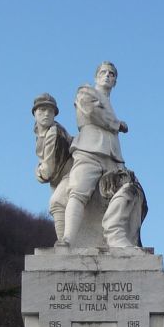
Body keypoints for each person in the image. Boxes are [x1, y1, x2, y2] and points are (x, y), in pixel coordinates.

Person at [58, 61, 128, 247]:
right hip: (89, 149)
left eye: (111, 74)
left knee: (124, 193)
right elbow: (91, 111)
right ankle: (67, 240)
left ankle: (114, 238)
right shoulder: (86, 91)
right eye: (103, 72)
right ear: (96, 76)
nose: (107, 75)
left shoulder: (110, 103)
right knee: (78, 191)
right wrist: (117, 124)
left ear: (115, 81)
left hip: (113, 157)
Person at [31, 93, 71, 242]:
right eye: (42, 109)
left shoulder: (54, 133)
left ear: (55, 114)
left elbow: (47, 172)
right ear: (34, 113)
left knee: (57, 203)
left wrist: (38, 172)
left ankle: (64, 244)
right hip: (60, 178)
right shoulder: (40, 132)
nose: (46, 113)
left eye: (50, 110)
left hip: (70, 174)